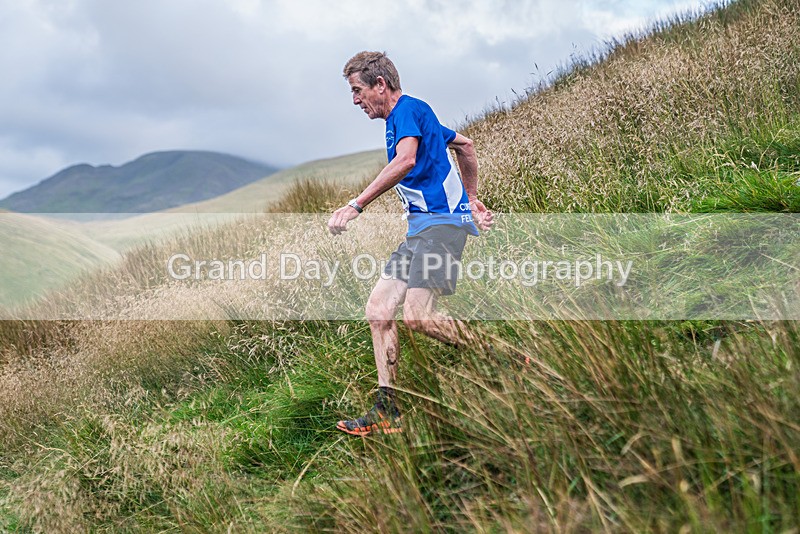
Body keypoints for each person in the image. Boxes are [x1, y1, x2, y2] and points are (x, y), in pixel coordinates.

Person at [328, 51, 494, 436]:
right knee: (378, 310)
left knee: (418, 317)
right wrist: (470, 199)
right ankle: (388, 410)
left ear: (380, 85)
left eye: (357, 90)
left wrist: (356, 204)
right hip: (421, 232)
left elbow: (405, 161)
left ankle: (502, 358)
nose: (355, 100)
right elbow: (466, 146)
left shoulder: (406, 111)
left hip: (441, 229)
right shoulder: (412, 117)